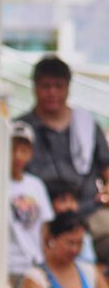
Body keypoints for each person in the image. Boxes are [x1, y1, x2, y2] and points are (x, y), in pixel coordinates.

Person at [16, 54, 109, 225]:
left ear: (68, 87)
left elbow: (106, 166)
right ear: (35, 87)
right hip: (35, 214)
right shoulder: (20, 130)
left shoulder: (87, 125)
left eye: (59, 86)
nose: (52, 92)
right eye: (46, 86)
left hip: (89, 211)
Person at [21, 211, 109, 288]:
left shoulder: (89, 271)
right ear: (53, 240)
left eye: (79, 243)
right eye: (69, 243)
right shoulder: (35, 278)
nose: (74, 249)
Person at [7, 120, 55, 288]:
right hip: (8, 264)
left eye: (24, 150)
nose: (18, 156)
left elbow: (44, 226)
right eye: (12, 149)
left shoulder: (36, 185)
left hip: (33, 263)